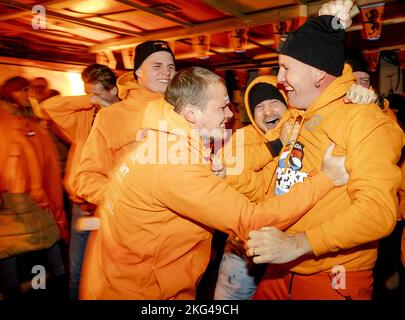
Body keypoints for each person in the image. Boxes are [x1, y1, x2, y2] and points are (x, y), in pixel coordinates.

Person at [79, 66, 349, 300]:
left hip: (122, 279)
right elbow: (250, 222)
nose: (230, 114)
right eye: (221, 107)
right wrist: (325, 179)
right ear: (192, 114)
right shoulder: (175, 165)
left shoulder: (164, 138)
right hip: (141, 290)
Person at [245, 15, 404, 300]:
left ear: (317, 73)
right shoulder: (298, 113)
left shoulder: (363, 119)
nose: (278, 80)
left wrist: (300, 243)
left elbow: (377, 212)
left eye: (285, 69)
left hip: (332, 275)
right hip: (280, 268)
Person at [0, 76, 69, 299]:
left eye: (28, 90)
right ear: (11, 93)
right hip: (8, 199)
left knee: (48, 240)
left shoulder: (31, 122)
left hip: (37, 197)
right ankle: (12, 291)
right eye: (23, 90)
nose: (28, 95)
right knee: (9, 249)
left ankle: (58, 283)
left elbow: (44, 157)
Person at [39, 64, 119, 299]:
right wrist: (90, 101)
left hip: (107, 206)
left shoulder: (125, 118)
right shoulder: (85, 117)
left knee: (107, 271)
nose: (91, 98)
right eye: (87, 93)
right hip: (81, 206)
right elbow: (48, 106)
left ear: (114, 91)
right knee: (77, 270)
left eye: (96, 93)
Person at [73, 40, 176, 207]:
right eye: (157, 66)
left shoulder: (185, 110)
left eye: (171, 67)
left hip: (184, 224)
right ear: (139, 72)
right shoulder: (111, 116)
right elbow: (86, 177)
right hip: (136, 226)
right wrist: (122, 201)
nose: (166, 73)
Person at [214, 75, 290, 300]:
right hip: (242, 252)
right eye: (259, 106)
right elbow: (231, 164)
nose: (267, 112)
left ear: (288, 104)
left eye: (274, 102)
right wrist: (277, 143)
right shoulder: (245, 136)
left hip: (287, 253)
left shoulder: (304, 135)